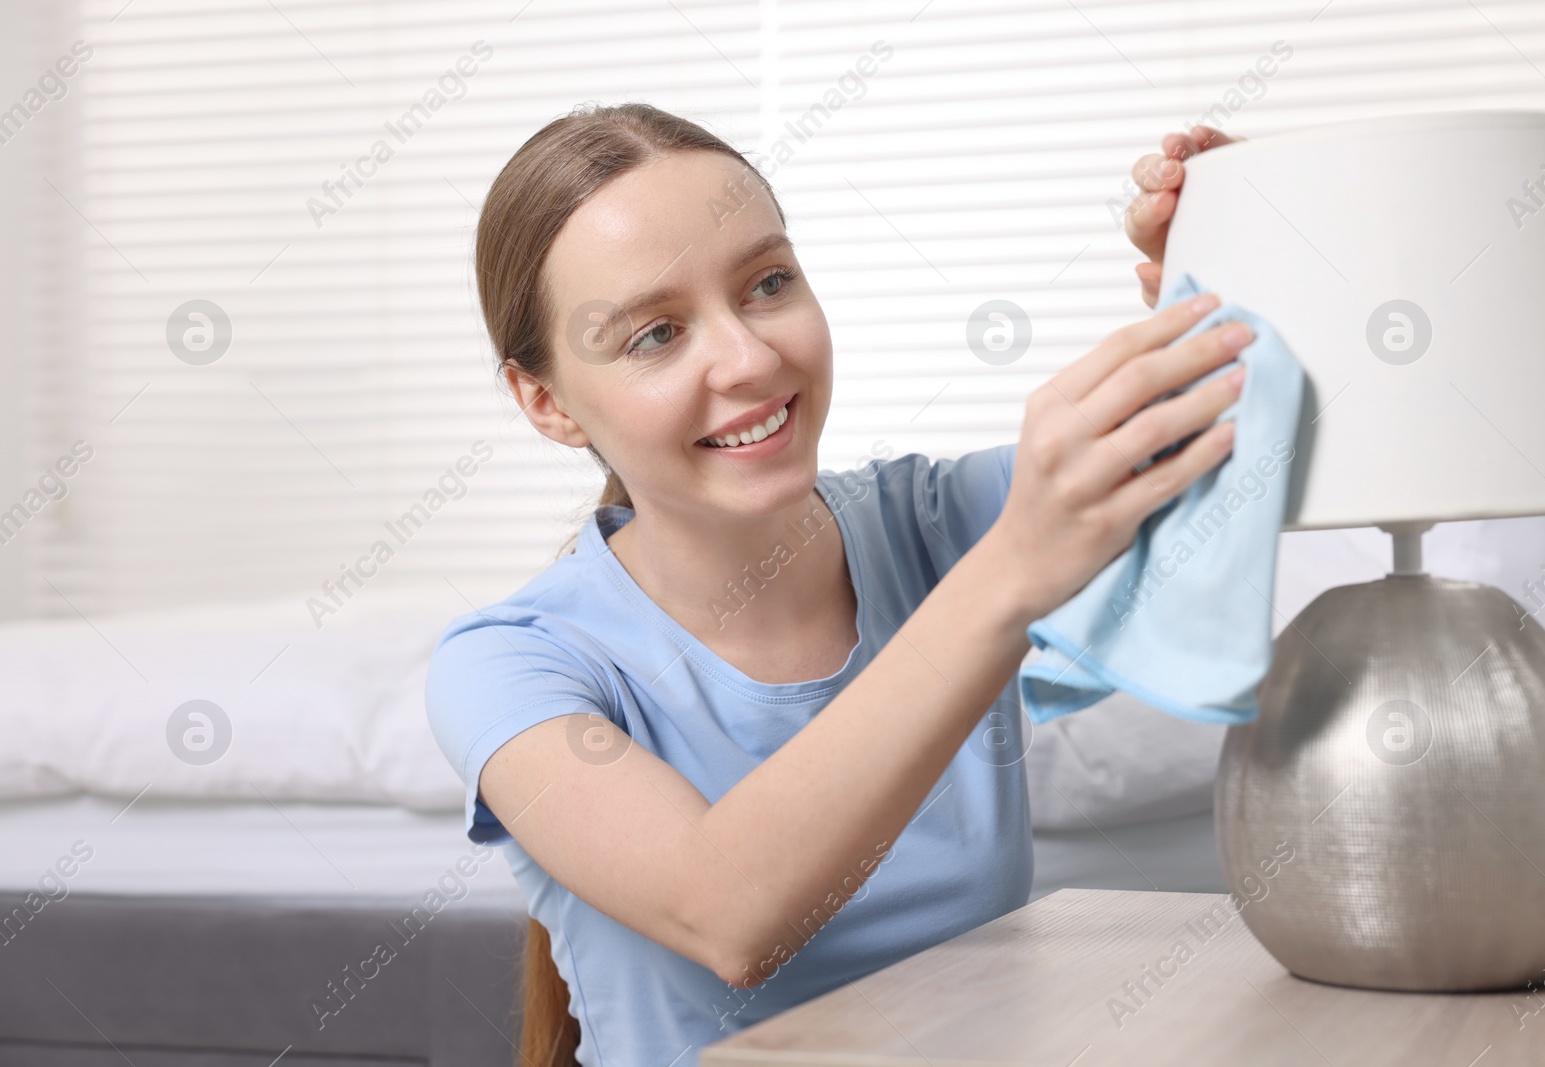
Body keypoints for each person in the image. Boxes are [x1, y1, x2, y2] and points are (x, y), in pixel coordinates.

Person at [424, 103, 1242, 1065]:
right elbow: (726, 910)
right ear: (548, 402)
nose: (751, 357)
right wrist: (1010, 573)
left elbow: (1243, 441)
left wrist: (1233, 247)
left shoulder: (933, 524)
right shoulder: (511, 664)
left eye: (767, 283)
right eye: (654, 335)